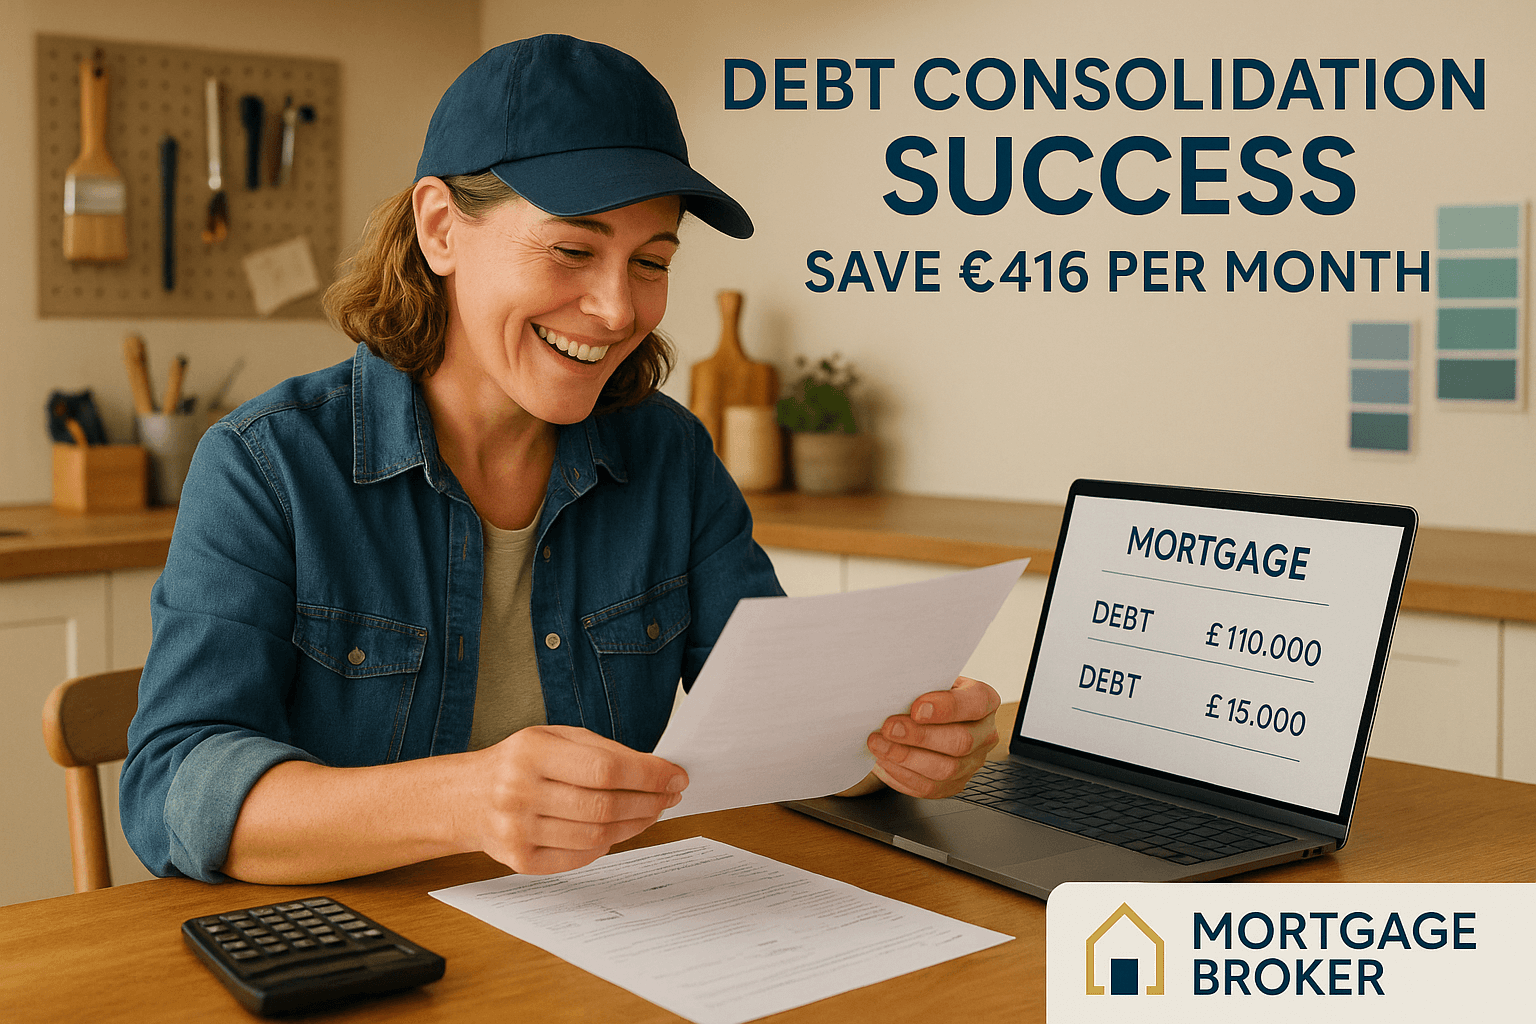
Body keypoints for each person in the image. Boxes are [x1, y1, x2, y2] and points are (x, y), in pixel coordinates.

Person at [120, 34, 1001, 884]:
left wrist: (896, 749)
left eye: (651, 261)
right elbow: (174, 789)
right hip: (366, 959)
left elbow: (785, 730)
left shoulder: (668, 456)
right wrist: (465, 800)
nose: (618, 308)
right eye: (573, 250)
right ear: (440, 229)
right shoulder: (265, 468)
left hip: (608, 943)